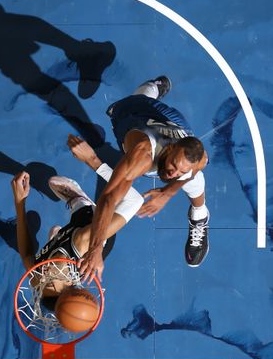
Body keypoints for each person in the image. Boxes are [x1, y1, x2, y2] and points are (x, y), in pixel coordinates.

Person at [81, 76, 210, 279]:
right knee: (140, 102)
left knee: (195, 178)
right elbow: (109, 198)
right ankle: (152, 88)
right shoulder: (141, 157)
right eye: (173, 166)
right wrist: (95, 249)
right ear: (171, 147)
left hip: (173, 121)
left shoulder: (195, 158)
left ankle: (200, 216)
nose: (173, 174)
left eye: (179, 171)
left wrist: (168, 192)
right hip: (128, 114)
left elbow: (194, 166)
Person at [11, 135, 144, 292]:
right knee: (103, 204)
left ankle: (58, 239)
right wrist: (93, 161)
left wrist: (19, 203)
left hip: (69, 244)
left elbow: (26, 255)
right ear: (66, 282)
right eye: (50, 282)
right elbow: (135, 200)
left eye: (41, 283)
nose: (42, 275)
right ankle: (79, 200)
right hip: (93, 225)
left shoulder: (40, 277)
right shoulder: (82, 241)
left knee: (54, 244)